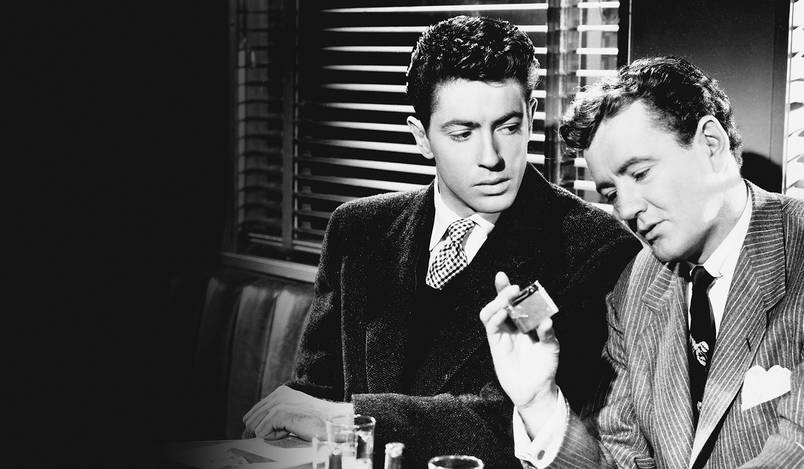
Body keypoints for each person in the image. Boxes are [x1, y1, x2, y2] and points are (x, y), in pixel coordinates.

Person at [242, 15, 640, 468]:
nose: (491, 158)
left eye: (508, 127)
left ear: (531, 115)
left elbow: (527, 422)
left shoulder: (595, 248)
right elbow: (316, 392)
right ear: (422, 138)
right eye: (462, 134)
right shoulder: (357, 230)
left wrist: (350, 418)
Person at [480, 55, 804, 468]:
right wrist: (538, 402)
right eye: (611, 194)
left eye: (641, 174)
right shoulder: (633, 287)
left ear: (711, 144)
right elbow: (614, 460)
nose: (627, 209)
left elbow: (803, 455)